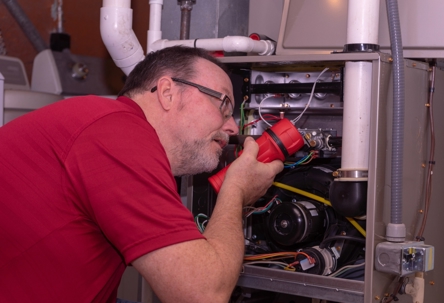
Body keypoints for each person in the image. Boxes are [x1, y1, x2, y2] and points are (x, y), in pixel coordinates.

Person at [0, 46, 284, 303]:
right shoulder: (117, 133)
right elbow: (203, 295)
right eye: (223, 105)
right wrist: (236, 190)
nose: (233, 128)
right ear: (168, 92)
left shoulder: (111, 127)